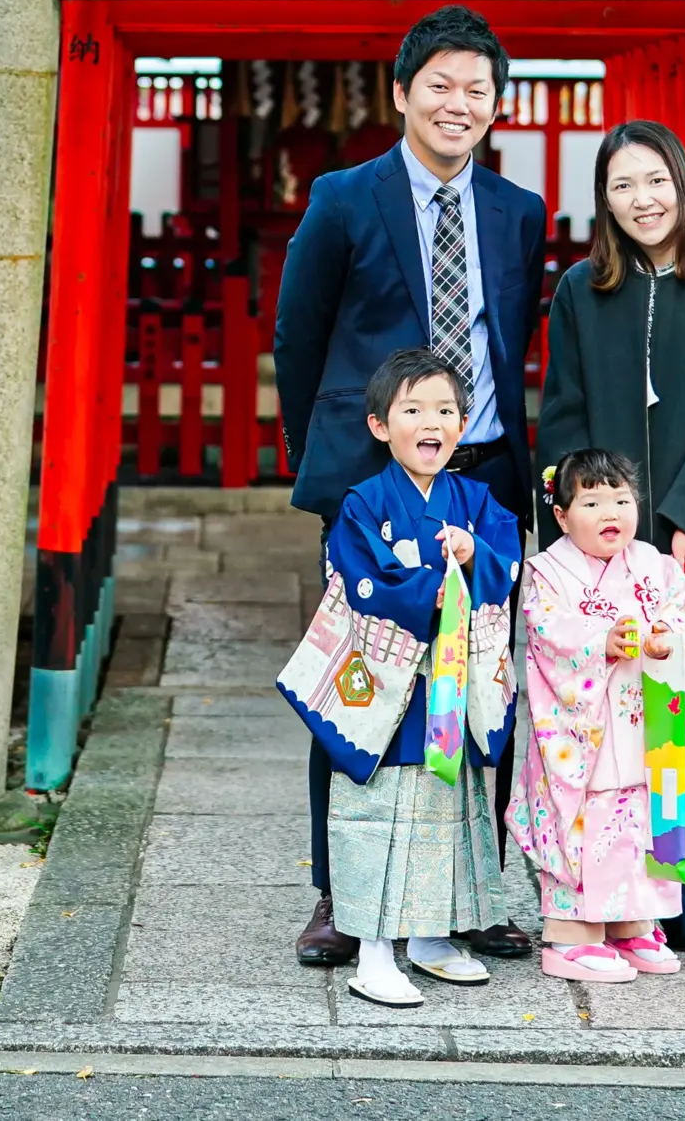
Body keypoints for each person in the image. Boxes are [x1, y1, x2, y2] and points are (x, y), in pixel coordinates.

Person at [273, 5, 548, 967]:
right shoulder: (346, 197)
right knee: (364, 681)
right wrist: (337, 469)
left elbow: (508, 349)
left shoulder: (519, 214)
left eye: (477, 88)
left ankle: (469, 892)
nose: (457, 104)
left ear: (493, 104)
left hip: (485, 477)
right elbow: (298, 339)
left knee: (482, 690)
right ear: (402, 93)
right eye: (440, 84)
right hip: (374, 481)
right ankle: (337, 895)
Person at [535, 118, 685, 951]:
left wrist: (682, 519)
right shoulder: (581, 290)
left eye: (654, 181)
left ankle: (680, 884)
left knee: (680, 709)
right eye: (620, 187)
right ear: (603, 203)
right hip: (596, 538)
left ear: (683, 183)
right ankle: (607, 887)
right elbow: (563, 408)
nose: (641, 200)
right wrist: (574, 524)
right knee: (610, 722)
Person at [279, 350, 520, 1007]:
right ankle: (375, 949)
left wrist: (476, 555)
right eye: (413, 409)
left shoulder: (475, 500)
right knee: (378, 815)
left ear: (465, 423)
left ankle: (432, 935)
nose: (431, 421)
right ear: (381, 426)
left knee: (447, 810)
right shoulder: (364, 501)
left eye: (445, 409)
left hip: (448, 693)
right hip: (390, 690)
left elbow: (506, 561)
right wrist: (436, 588)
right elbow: (363, 581)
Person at [509, 447, 685, 982]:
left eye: (621, 498)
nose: (611, 512)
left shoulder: (655, 566)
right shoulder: (548, 571)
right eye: (592, 501)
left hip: (645, 724)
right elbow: (546, 632)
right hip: (583, 732)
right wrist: (599, 641)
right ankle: (571, 935)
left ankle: (632, 924)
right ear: (561, 515)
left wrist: (666, 640)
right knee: (586, 823)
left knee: (643, 817)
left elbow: (683, 617)